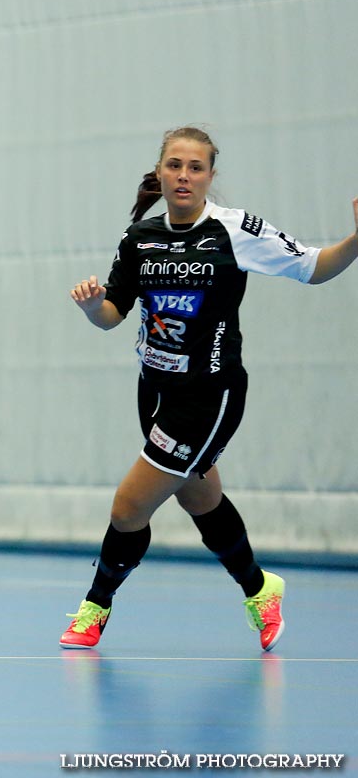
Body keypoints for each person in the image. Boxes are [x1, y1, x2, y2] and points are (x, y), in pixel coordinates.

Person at [59, 126, 358, 652]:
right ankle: (261, 589)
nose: (183, 176)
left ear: (210, 176)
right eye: (174, 165)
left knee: (130, 508)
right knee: (201, 499)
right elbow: (113, 315)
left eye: (195, 167)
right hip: (153, 390)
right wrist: (91, 307)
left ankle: (96, 606)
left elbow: (313, 268)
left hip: (210, 396)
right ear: (160, 172)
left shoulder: (234, 231)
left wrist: (356, 243)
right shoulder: (140, 239)